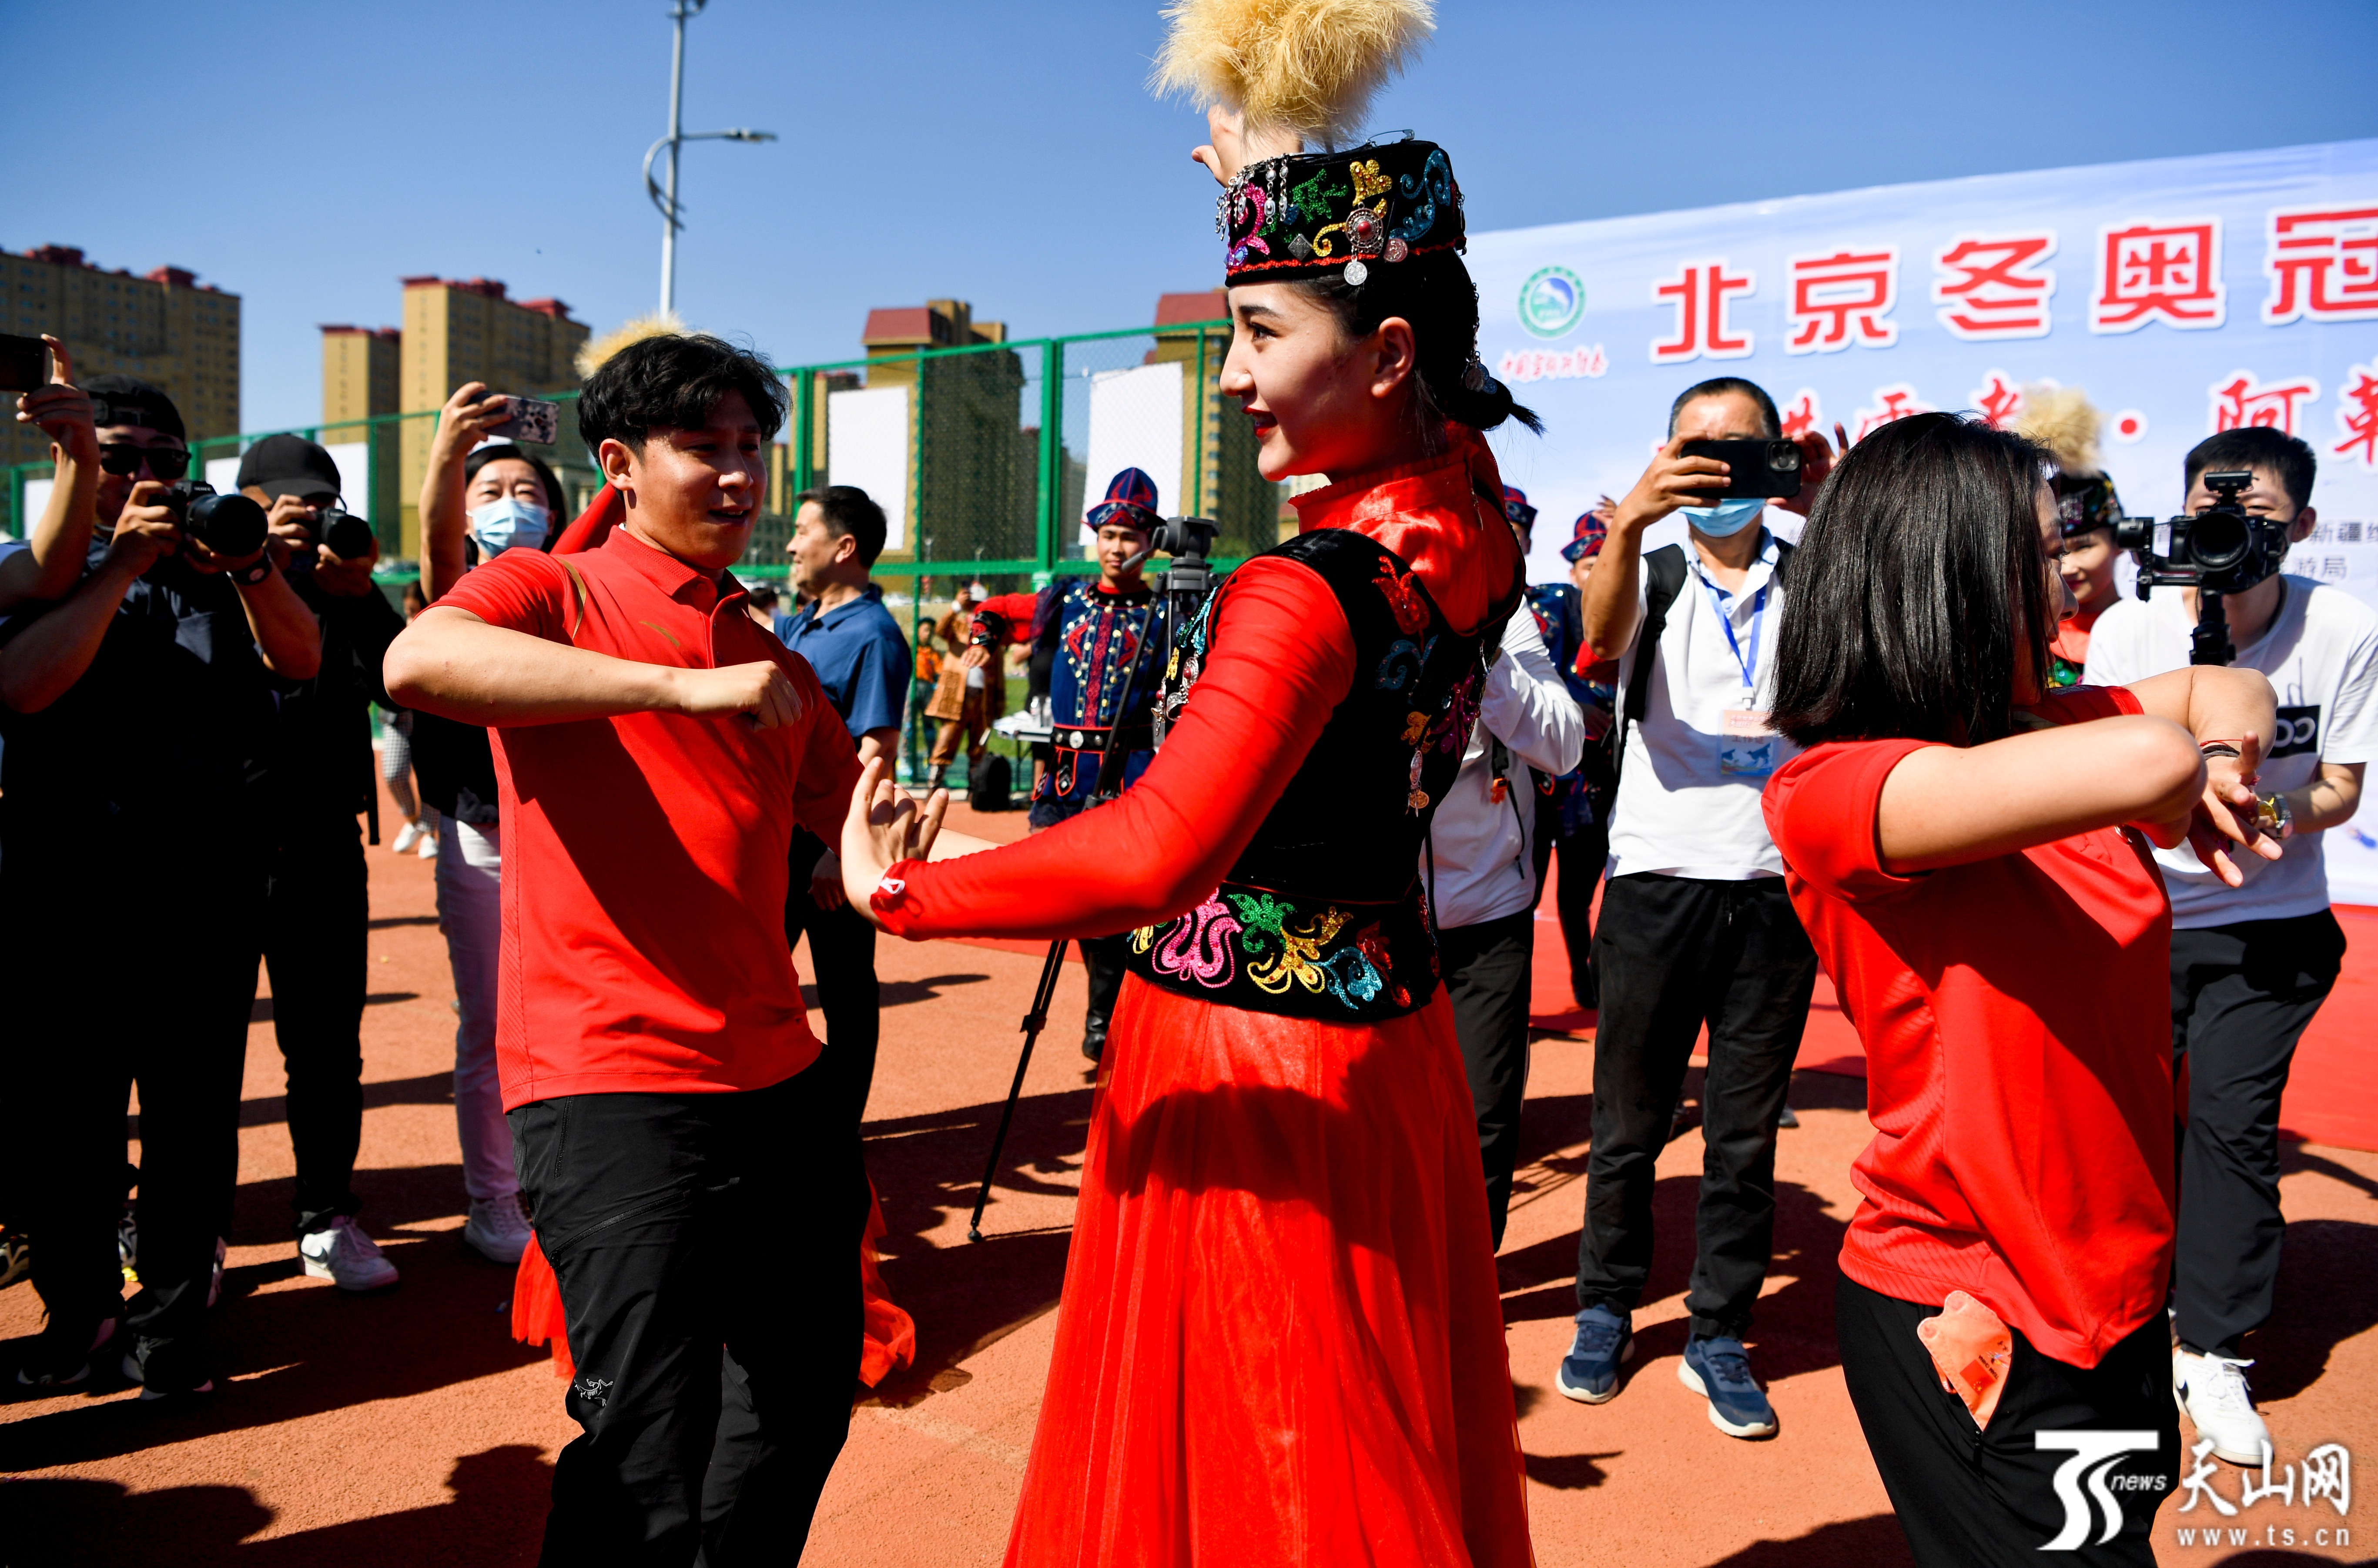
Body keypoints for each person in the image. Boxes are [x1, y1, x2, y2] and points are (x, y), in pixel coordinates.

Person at [839, 119, 1537, 1566]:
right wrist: (1279, 197)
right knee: (1358, 1424)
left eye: (1256, 333)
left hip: (1247, 1072)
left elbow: (1155, 853)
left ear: (1391, 353)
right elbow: (1448, 405)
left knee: (1255, 1456)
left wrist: (896, 887)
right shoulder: (1472, 523)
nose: (1228, 375)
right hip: (1385, 1046)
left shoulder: (1300, 589)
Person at [1761, 410, 2281, 1565]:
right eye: (2041, 553)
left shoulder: (2038, 731)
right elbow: (2154, 752)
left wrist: (2218, 768)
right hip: (1979, 1301)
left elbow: (2222, 696)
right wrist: (2173, 770)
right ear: (1949, 568)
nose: (2069, 581)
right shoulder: (1838, 789)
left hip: (2118, 1284)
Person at [384, 332, 868, 1564]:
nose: (737, 475)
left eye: (751, 449)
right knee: (643, 1449)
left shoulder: (774, 658)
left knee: (804, 1399)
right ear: (621, 462)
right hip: (611, 1086)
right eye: (701, 448)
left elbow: (834, 849)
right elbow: (419, 658)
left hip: (777, 1082)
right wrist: (668, 691)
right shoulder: (558, 587)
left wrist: (882, 846)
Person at [0, 375, 321, 1398]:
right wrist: (122, 565)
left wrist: (252, 561)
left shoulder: (225, 568)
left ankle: (173, 1326)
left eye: (167, 461)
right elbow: (26, 685)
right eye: (122, 456)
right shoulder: (43, 575)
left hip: (206, 891)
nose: (146, 477)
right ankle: (82, 1314)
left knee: (191, 1121)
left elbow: (303, 657)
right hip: (67, 889)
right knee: (70, 1121)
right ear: (85, 470)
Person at [2083, 426, 2377, 1464]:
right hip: (2140, 919)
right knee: (2123, 1125)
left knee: (2228, 1120)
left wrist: (2268, 810)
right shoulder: (2126, 627)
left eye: (2253, 519)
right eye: (2209, 516)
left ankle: (2209, 1345)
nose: (2227, 539)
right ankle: (2122, 1309)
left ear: (2299, 526)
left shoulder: (2337, 625)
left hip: (2270, 927)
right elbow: (2097, 781)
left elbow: (2337, 785)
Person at [1557, 375, 1818, 1437]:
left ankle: (1716, 1331)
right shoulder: (1645, 559)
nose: (1715, 469)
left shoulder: (1816, 563)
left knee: (1743, 1134)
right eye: (1691, 447)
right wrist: (1629, 516)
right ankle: (1603, 1307)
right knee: (1625, 1124)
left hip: (1774, 887)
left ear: (1773, 455)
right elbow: (1601, 638)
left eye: (1735, 448)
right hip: (1657, 877)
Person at [235, 434, 410, 1292]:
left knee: (327, 1047)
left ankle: (326, 1213)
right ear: (250, 500)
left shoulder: (345, 591)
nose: (307, 518)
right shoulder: (211, 574)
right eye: (289, 501)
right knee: (193, 1051)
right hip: (213, 845)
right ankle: (185, 1226)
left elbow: (401, 684)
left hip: (322, 847)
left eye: (321, 503)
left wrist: (360, 590)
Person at [415, 383, 573, 1267]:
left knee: (568, 1018)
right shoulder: (458, 592)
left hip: (571, 837)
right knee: (491, 1021)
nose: (512, 505)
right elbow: (437, 544)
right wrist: (448, 449)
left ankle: (565, 1181)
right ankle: (494, 1196)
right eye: (491, 492)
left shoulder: (579, 585)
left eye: (527, 491)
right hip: (482, 839)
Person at [965, 468, 1176, 1061]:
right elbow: (997, 610)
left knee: (1123, 900)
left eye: (1130, 537)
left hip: (1132, 773)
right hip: (1063, 774)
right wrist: (982, 634)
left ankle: (1108, 1011)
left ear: (1152, 542)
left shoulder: (1166, 610)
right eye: (1107, 535)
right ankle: (1105, 1006)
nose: (1116, 548)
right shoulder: (1067, 598)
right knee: (1074, 897)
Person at [1428, 576, 1583, 1247]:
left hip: (1490, 908)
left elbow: (1564, 743)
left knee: (1483, 1114)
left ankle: (1468, 1282)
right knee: (1366, 1114)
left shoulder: (1504, 618)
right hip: (1371, 912)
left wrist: (1484, 663)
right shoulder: (1349, 604)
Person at [779, 483, 911, 1130]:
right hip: (776, 836)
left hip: (827, 845)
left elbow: (878, 747)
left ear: (844, 546)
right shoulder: (801, 622)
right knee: (761, 976)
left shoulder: (874, 635)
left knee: (844, 989)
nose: (791, 544)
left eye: (803, 531)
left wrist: (841, 848)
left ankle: (840, 1124)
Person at [1532, 505, 1617, 1008]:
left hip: (1608, 775)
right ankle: (1570, 977)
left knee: (1593, 886)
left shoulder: (1633, 607)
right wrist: (1575, 703)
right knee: (1543, 888)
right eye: (1590, 565)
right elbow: (1524, 665)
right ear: (1572, 570)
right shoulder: (1554, 604)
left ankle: (1591, 974)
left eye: (1609, 562)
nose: (1599, 574)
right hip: (1552, 777)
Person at [2017, 385, 2126, 687]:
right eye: (2057, 553)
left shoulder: (2147, 627)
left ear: (2119, 542)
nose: (2071, 566)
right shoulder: (2031, 643)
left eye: (2085, 547)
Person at [923, 582, 1004, 788]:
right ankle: (934, 784)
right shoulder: (957, 628)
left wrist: (999, 703)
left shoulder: (992, 636)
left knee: (978, 748)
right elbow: (940, 630)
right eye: (972, 606)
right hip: (956, 696)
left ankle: (974, 788)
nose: (975, 611)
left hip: (982, 699)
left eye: (980, 607)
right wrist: (956, 607)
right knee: (945, 742)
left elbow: (999, 673)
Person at [384, 582, 437, 858]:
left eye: (419, 611)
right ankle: (413, 822)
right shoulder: (396, 632)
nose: (412, 618)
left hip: (431, 719)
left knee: (432, 774)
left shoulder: (441, 634)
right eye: (409, 611)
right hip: (398, 717)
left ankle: (430, 833)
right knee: (393, 773)